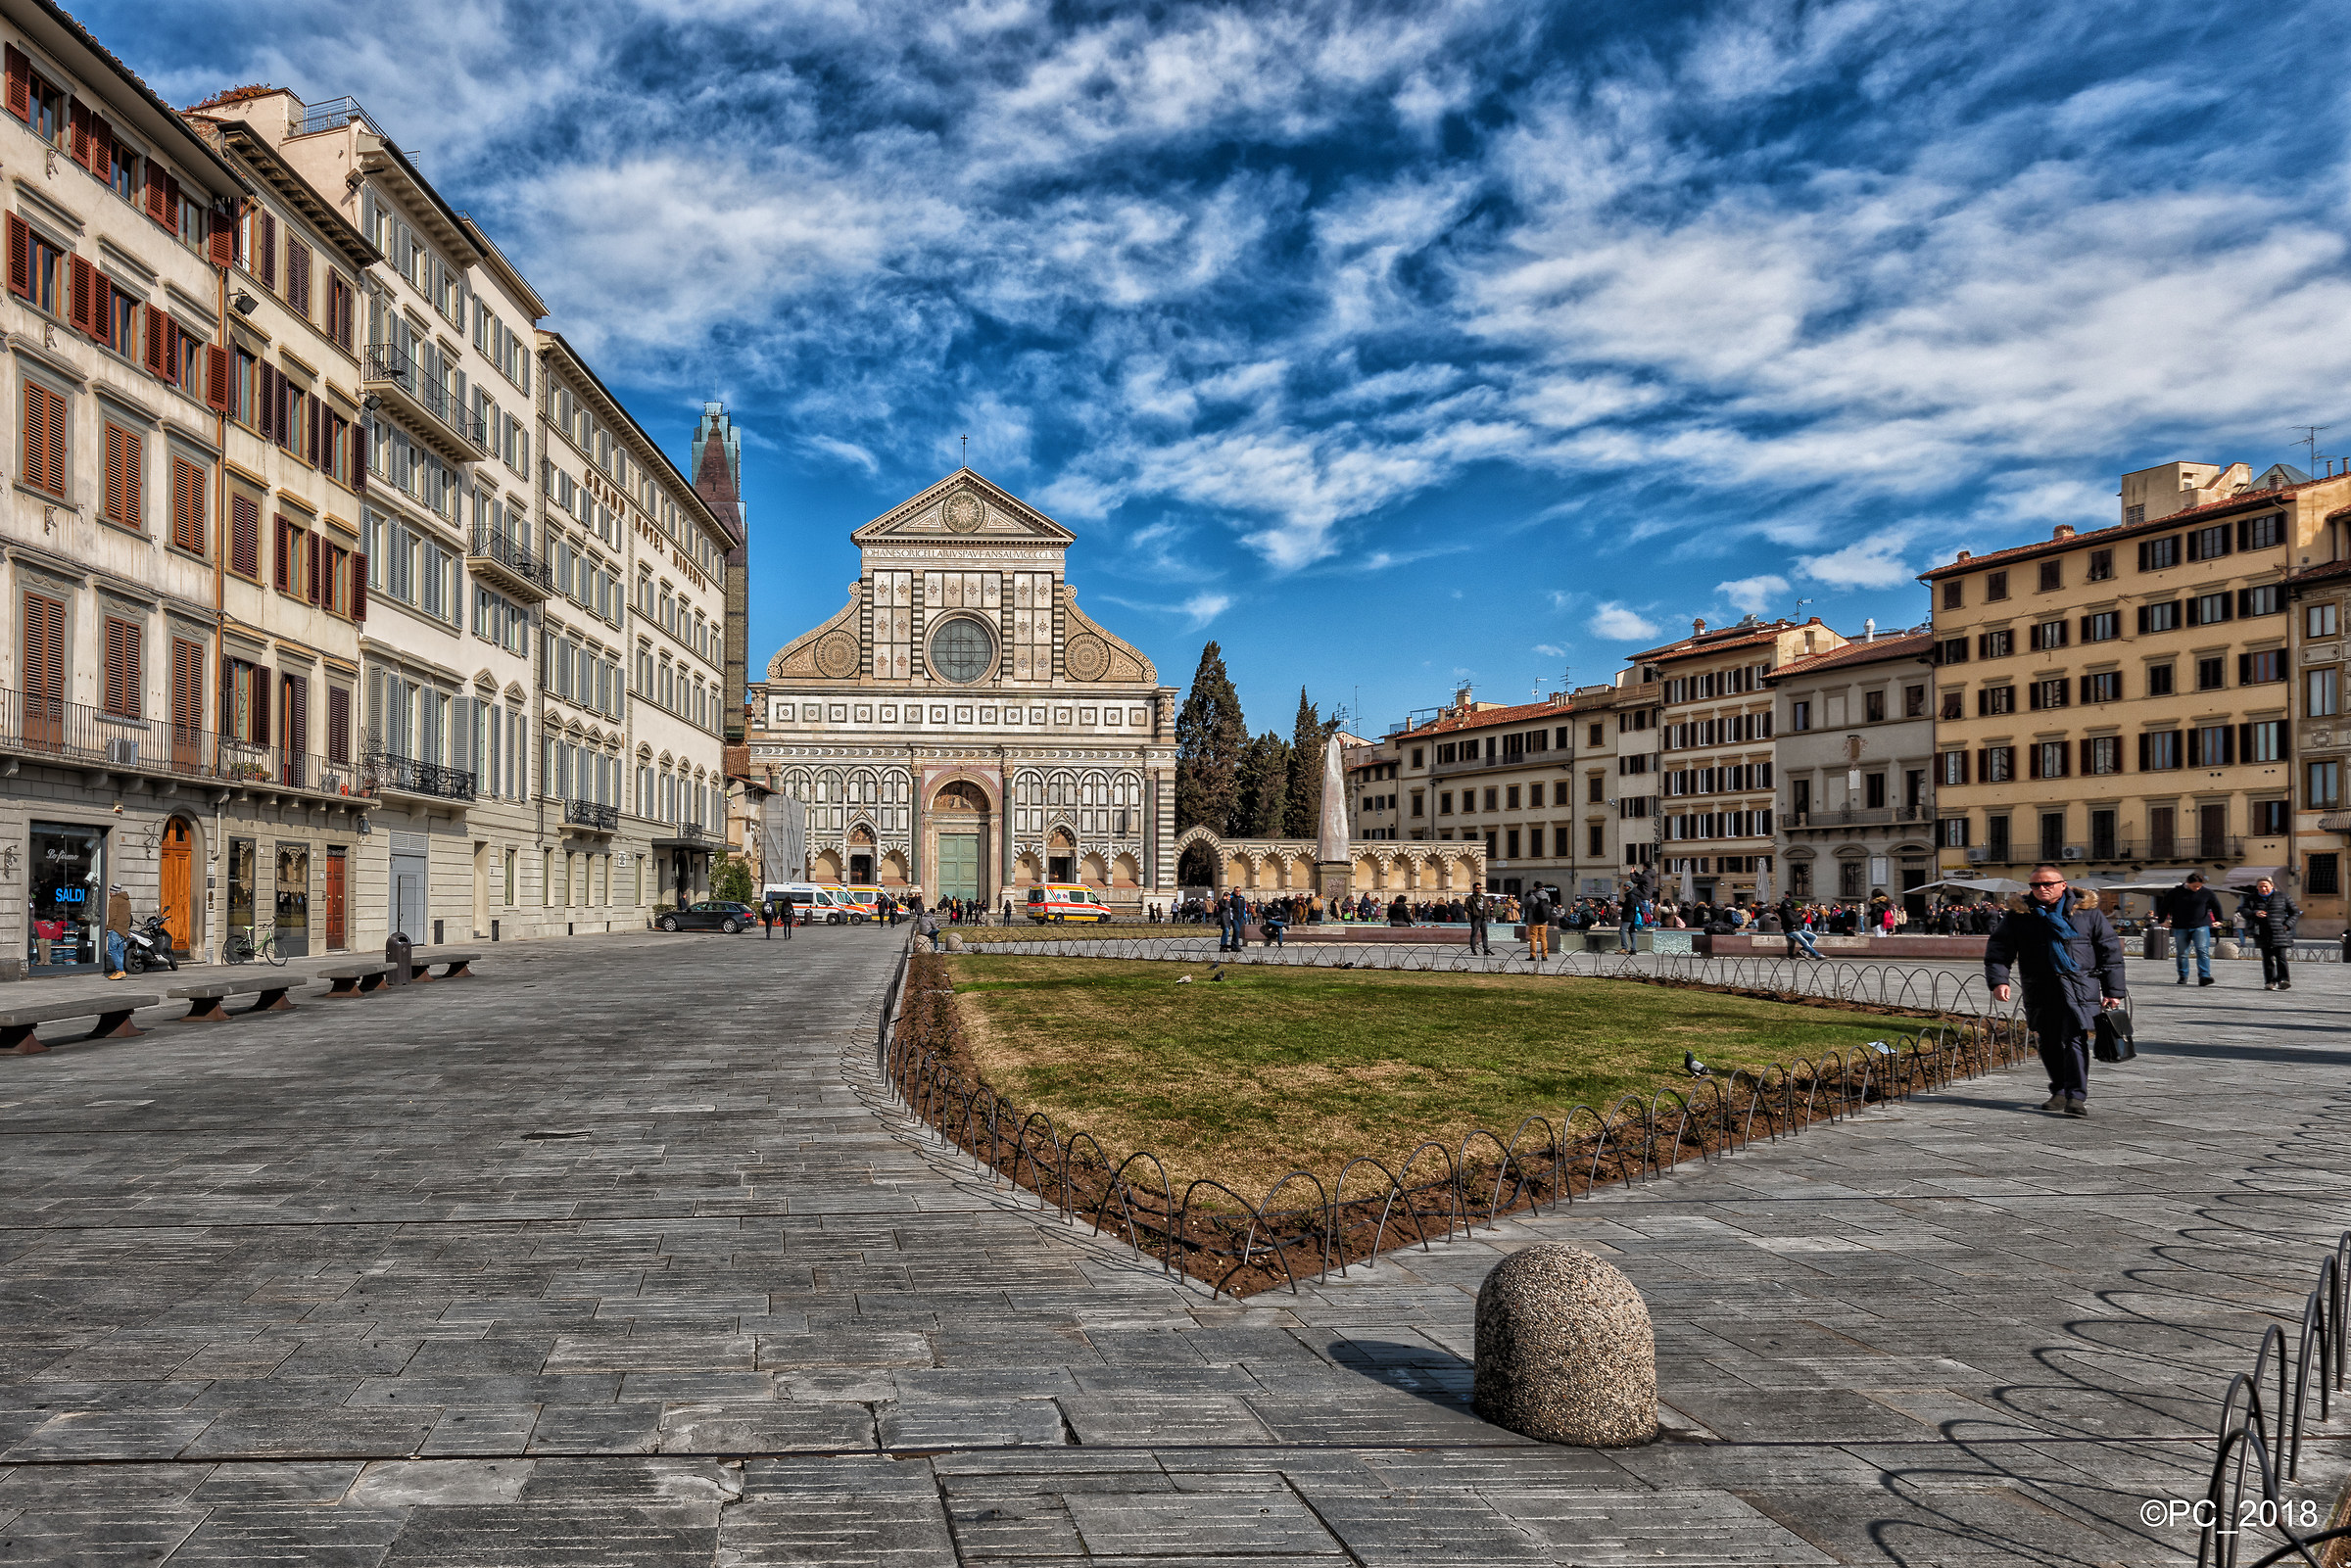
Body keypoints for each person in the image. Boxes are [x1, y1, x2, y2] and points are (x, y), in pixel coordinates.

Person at [1986, 864, 2128, 1118]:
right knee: (2048, 1041)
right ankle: (2059, 1089)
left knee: (2074, 1039)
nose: (2041, 889)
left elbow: (2110, 952)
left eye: (2047, 884)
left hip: (2079, 985)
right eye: (2035, 885)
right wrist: (1999, 981)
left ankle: (2076, 1096)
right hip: (2039, 985)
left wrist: (2113, 990)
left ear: (2063, 885)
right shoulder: (2020, 914)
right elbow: (1999, 950)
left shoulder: (2088, 913)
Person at [2161, 871, 2225, 987]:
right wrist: (2161, 920)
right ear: (2187, 883)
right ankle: (2183, 975)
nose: (2197, 888)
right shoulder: (2175, 892)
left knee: (2202, 950)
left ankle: (2204, 976)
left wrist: (2219, 920)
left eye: (2199, 886)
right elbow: (2164, 906)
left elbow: (2216, 906)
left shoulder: (2207, 893)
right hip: (2181, 926)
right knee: (2182, 953)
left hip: (2201, 925)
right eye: (2194, 886)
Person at [2239, 877, 2300, 991]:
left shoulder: (2283, 897)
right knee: (2267, 958)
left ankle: (2284, 980)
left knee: (2281, 957)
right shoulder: (2251, 899)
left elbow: (2295, 912)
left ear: (2272, 886)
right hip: (2262, 933)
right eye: (2260, 887)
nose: (2263, 889)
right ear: (2257, 888)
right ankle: (2270, 981)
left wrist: (2288, 924)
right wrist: (2255, 912)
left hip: (2280, 932)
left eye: (2265, 886)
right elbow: (2244, 911)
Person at [104, 883, 133, 978]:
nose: (109, 894)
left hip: (115, 929)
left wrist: (109, 928)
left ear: (112, 893)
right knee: (120, 951)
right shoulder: (126, 901)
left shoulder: (114, 900)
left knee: (112, 950)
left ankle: (120, 970)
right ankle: (120, 971)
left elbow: (112, 917)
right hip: (123, 929)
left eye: (110, 892)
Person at [1525, 884, 1552, 961]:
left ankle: (1533, 955)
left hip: (1533, 921)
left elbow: (1524, 904)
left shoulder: (1532, 897)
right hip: (1544, 921)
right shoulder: (1547, 897)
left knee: (1533, 938)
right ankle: (1544, 955)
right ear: (1542, 888)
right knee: (1543, 938)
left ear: (1535, 888)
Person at [1466, 889, 1490, 956]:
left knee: (1485, 933)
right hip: (1475, 918)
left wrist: (1487, 912)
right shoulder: (1470, 898)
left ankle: (1486, 949)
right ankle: (1473, 949)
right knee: (1474, 933)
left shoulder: (1484, 897)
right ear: (1474, 889)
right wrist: (1473, 913)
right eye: (1477, 888)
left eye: (1480, 888)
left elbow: (1487, 905)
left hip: (1484, 917)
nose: (1479, 890)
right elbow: (1466, 907)